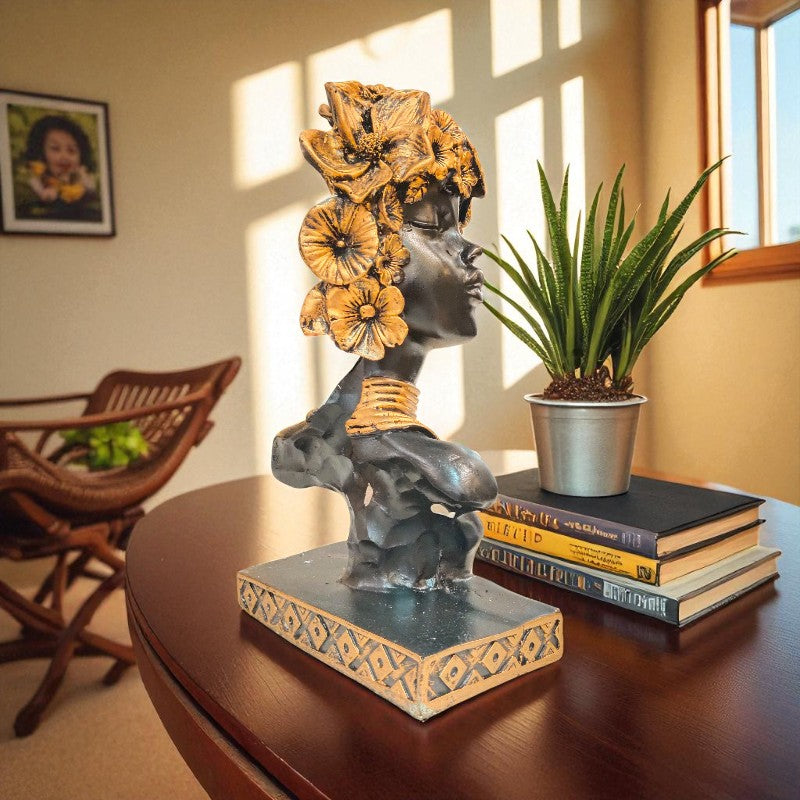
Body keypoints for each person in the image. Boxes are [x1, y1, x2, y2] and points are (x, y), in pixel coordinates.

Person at [273, 81, 497, 591]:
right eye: (434, 227)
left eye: (460, 225)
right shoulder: (450, 470)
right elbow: (471, 484)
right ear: (371, 255)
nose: (468, 251)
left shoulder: (348, 426)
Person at [21, 114, 98, 219]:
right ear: (41, 152)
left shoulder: (80, 177)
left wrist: (82, 176)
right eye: (55, 148)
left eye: (71, 151)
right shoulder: (37, 180)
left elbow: (91, 190)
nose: (64, 157)